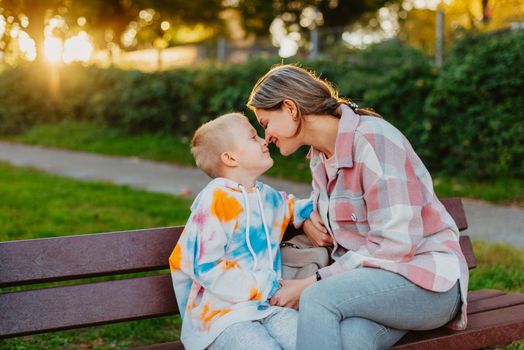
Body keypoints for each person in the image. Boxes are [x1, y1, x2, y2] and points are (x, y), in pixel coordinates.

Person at [247, 65, 469, 350]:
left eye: (265, 124)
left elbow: (395, 245)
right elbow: (330, 216)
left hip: (426, 283)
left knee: (317, 297)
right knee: (350, 340)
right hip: (372, 289)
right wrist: (305, 220)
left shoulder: (373, 140)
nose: (267, 138)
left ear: (290, 108)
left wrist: (314, 281)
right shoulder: (320, 158)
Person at [169, 113, 313, 350]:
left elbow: (294, 207)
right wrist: (263, 286)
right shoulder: (214, 200)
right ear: (230, 157)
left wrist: (320, 210)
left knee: (313, 339)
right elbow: (207, 266)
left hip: (268, 307)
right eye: (253, 137)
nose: (264, 140)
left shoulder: (265, 196)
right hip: (221, 316)